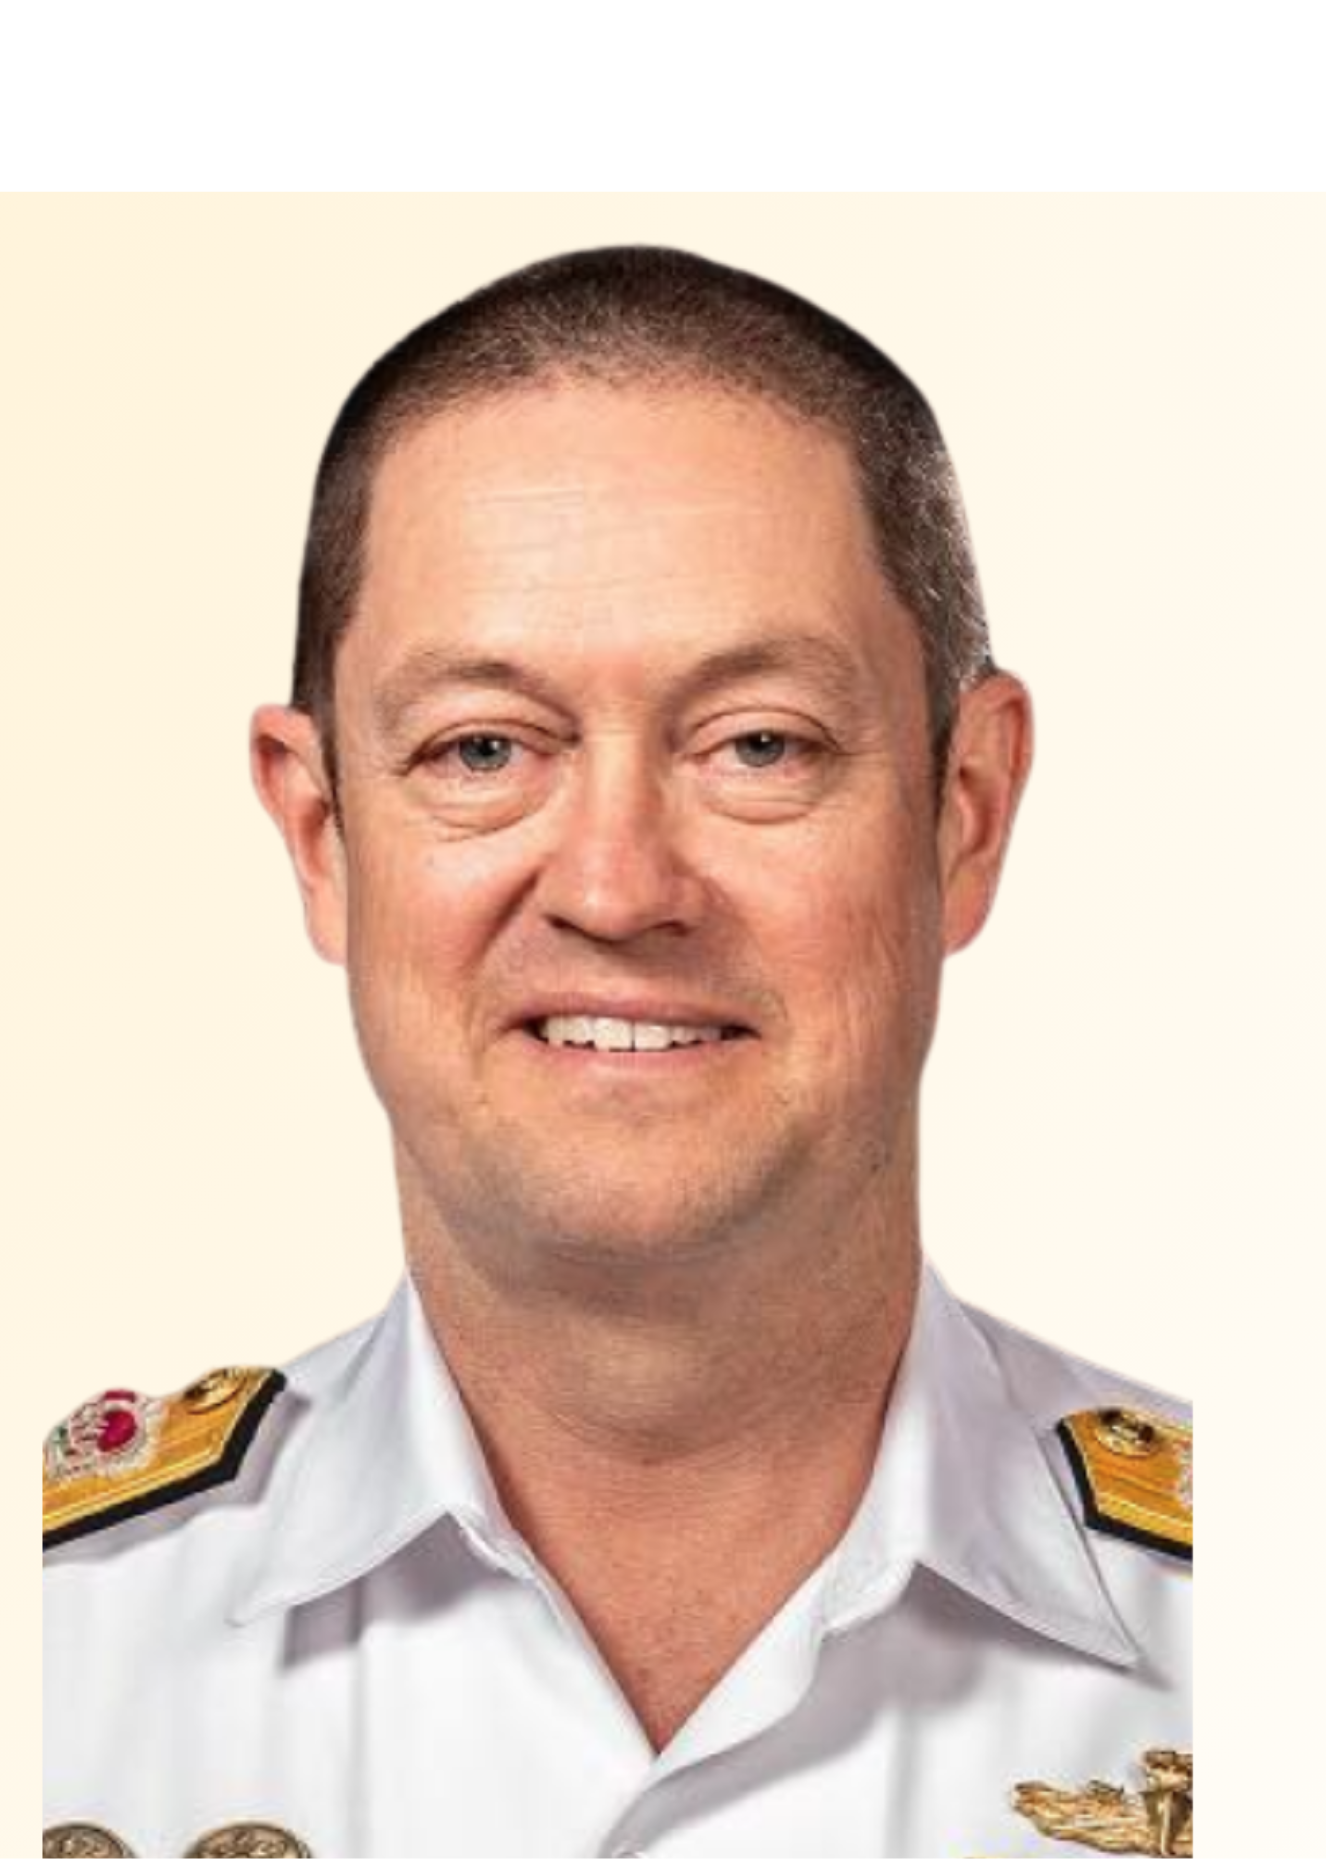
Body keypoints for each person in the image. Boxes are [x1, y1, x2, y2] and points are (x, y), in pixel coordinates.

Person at [42, 246, 1192, 1860]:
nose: (614, 886)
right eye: (482, 748)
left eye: (757, 744)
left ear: (965, 812)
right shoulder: (56, 1641)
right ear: (319, 835)